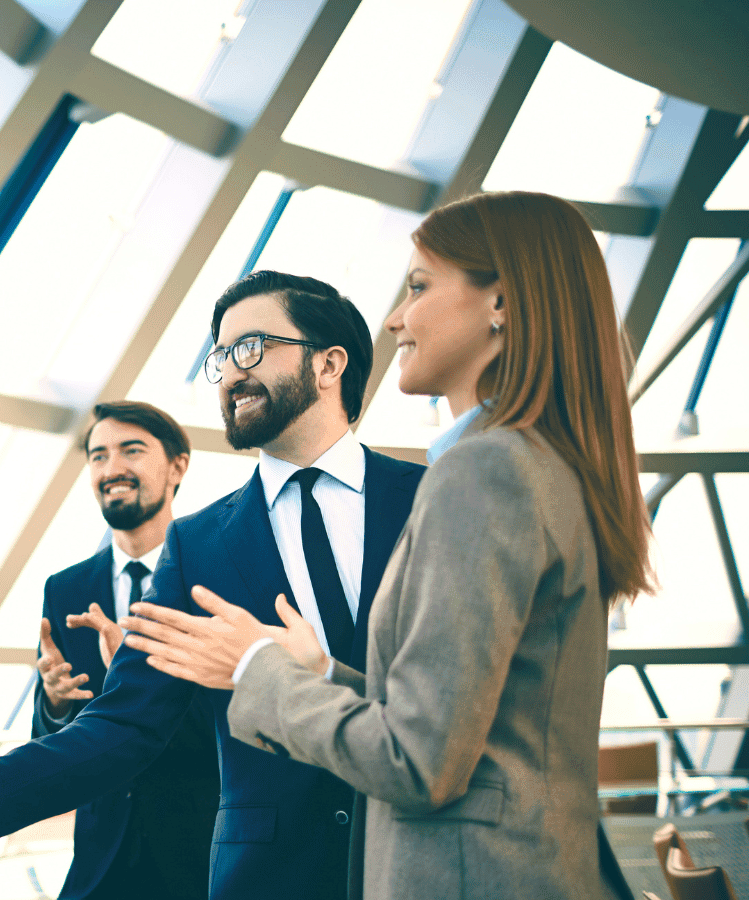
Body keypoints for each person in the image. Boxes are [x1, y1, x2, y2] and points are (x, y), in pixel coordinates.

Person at [129, 192, 652, 900]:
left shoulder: (482, 472)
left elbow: (417, 763)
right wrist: (325, 679)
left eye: (419, 287)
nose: (397, 317)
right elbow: (474, 732)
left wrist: (257, 670)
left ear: (500, 302)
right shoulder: (544, 465)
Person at [0, 272, 425, 900]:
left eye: (252, 348)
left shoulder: (430, 498)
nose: (231, 372)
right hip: (271, 880)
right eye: (221, 358)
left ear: (329, 364)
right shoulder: (200, 545)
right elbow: (124, 724)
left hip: (424, 857)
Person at [33, 401, 219, 900]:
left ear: (178, 465)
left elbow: (238, 724)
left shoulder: (218, 577)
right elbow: (55, 741)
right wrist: (53, 702)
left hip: (200, 860)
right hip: (100, 862)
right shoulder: (66, 588)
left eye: (130, 450)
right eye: (97, 456)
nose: (111, 468)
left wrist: (136, 680)